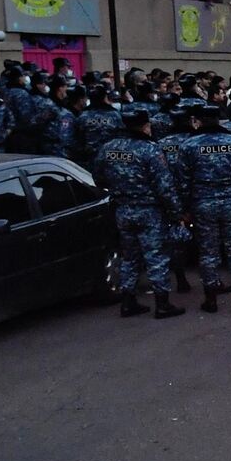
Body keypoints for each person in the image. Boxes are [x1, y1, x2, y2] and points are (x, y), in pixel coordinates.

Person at [95, 107, 185, 319]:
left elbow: (98, 177)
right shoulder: (150, 150)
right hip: (149, 210)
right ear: (145, 125)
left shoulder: (108, 148)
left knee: (130, 257)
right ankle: (162, 304)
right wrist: (176, 212)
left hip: (123, 209)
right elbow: (164, 186)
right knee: (156, 257)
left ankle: (128, 301)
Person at [178, 105, 231, 313]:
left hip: (203, 203)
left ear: (199, 121)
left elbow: (182, 180)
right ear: (219, 120)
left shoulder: (189, 145)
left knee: (208, 251)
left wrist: (185, 207)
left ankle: (211, 299)